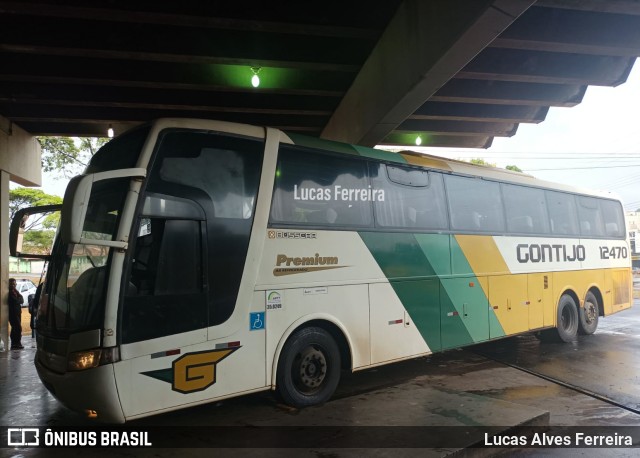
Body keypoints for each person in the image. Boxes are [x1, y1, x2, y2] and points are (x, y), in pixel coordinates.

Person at [8, 278, 24, 349]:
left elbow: (22, 298)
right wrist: (19, 299)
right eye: (11, 284)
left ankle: (16, 343)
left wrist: (19, 299)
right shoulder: (9, 292)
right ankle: (15, 344)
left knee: (16, 328)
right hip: (13, 313)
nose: (13, 285)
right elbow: (16, 301)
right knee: (17, 328)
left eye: (14, 284)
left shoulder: (15, 291)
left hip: (17, 312)